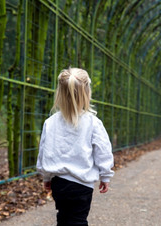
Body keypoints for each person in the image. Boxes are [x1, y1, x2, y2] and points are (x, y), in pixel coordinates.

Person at [36, 67, 114, 226]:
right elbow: (103, 151)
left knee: (63, 217)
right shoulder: (93, 123)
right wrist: (105, 175)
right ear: (87, 93)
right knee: (78, 220)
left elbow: (44, 151)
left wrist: (46, 176)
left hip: (59, 183)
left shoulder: (50, 123)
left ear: (60, 93)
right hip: (82, 184)